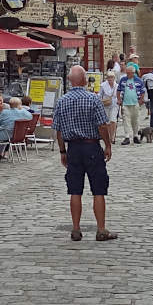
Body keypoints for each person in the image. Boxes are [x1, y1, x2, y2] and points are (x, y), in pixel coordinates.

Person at [53, 66, 117, 242]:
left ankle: (75, 229)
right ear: (84, 80)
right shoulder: (93, 99)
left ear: (70, 81)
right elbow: (102, 125)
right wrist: (108, 145)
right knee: (98, 189)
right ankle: (101, 229)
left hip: (73, 148)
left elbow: (58, 130)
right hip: (91, 147)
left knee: (75, 190)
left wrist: (62, 151)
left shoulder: (62, 101)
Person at [0, 96, 32, 160]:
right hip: (19, 136)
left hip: (6, 135)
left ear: (10, 104)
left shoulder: (5, 112)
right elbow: (30, 117)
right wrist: (21, 109)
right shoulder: (24, 113)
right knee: (5, 133)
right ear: (19, 105)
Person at [116, 64, 145, 145]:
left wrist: (141, 100)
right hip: (125, 103)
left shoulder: (138, 80)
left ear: (133, 73)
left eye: (129, 73)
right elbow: (118, 90)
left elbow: (143, 91)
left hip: (135, 103)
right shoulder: (123, 80)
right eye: (127, 73)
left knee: (136, 120)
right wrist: (119, 99)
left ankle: (135, 136)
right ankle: (127, 137)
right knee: (126, 120)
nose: (128, 74)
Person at [99, 70, 119, 142]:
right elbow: (100, 95)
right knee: (107, 122)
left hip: (114, 104)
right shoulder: (103, 85)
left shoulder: (117, 86)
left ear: (114, 78)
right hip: (105, 105)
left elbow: (119, 95)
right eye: (109, 77)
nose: (110, 79)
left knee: (113, 120)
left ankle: (112, 136)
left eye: (112, 77)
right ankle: (107, 136)